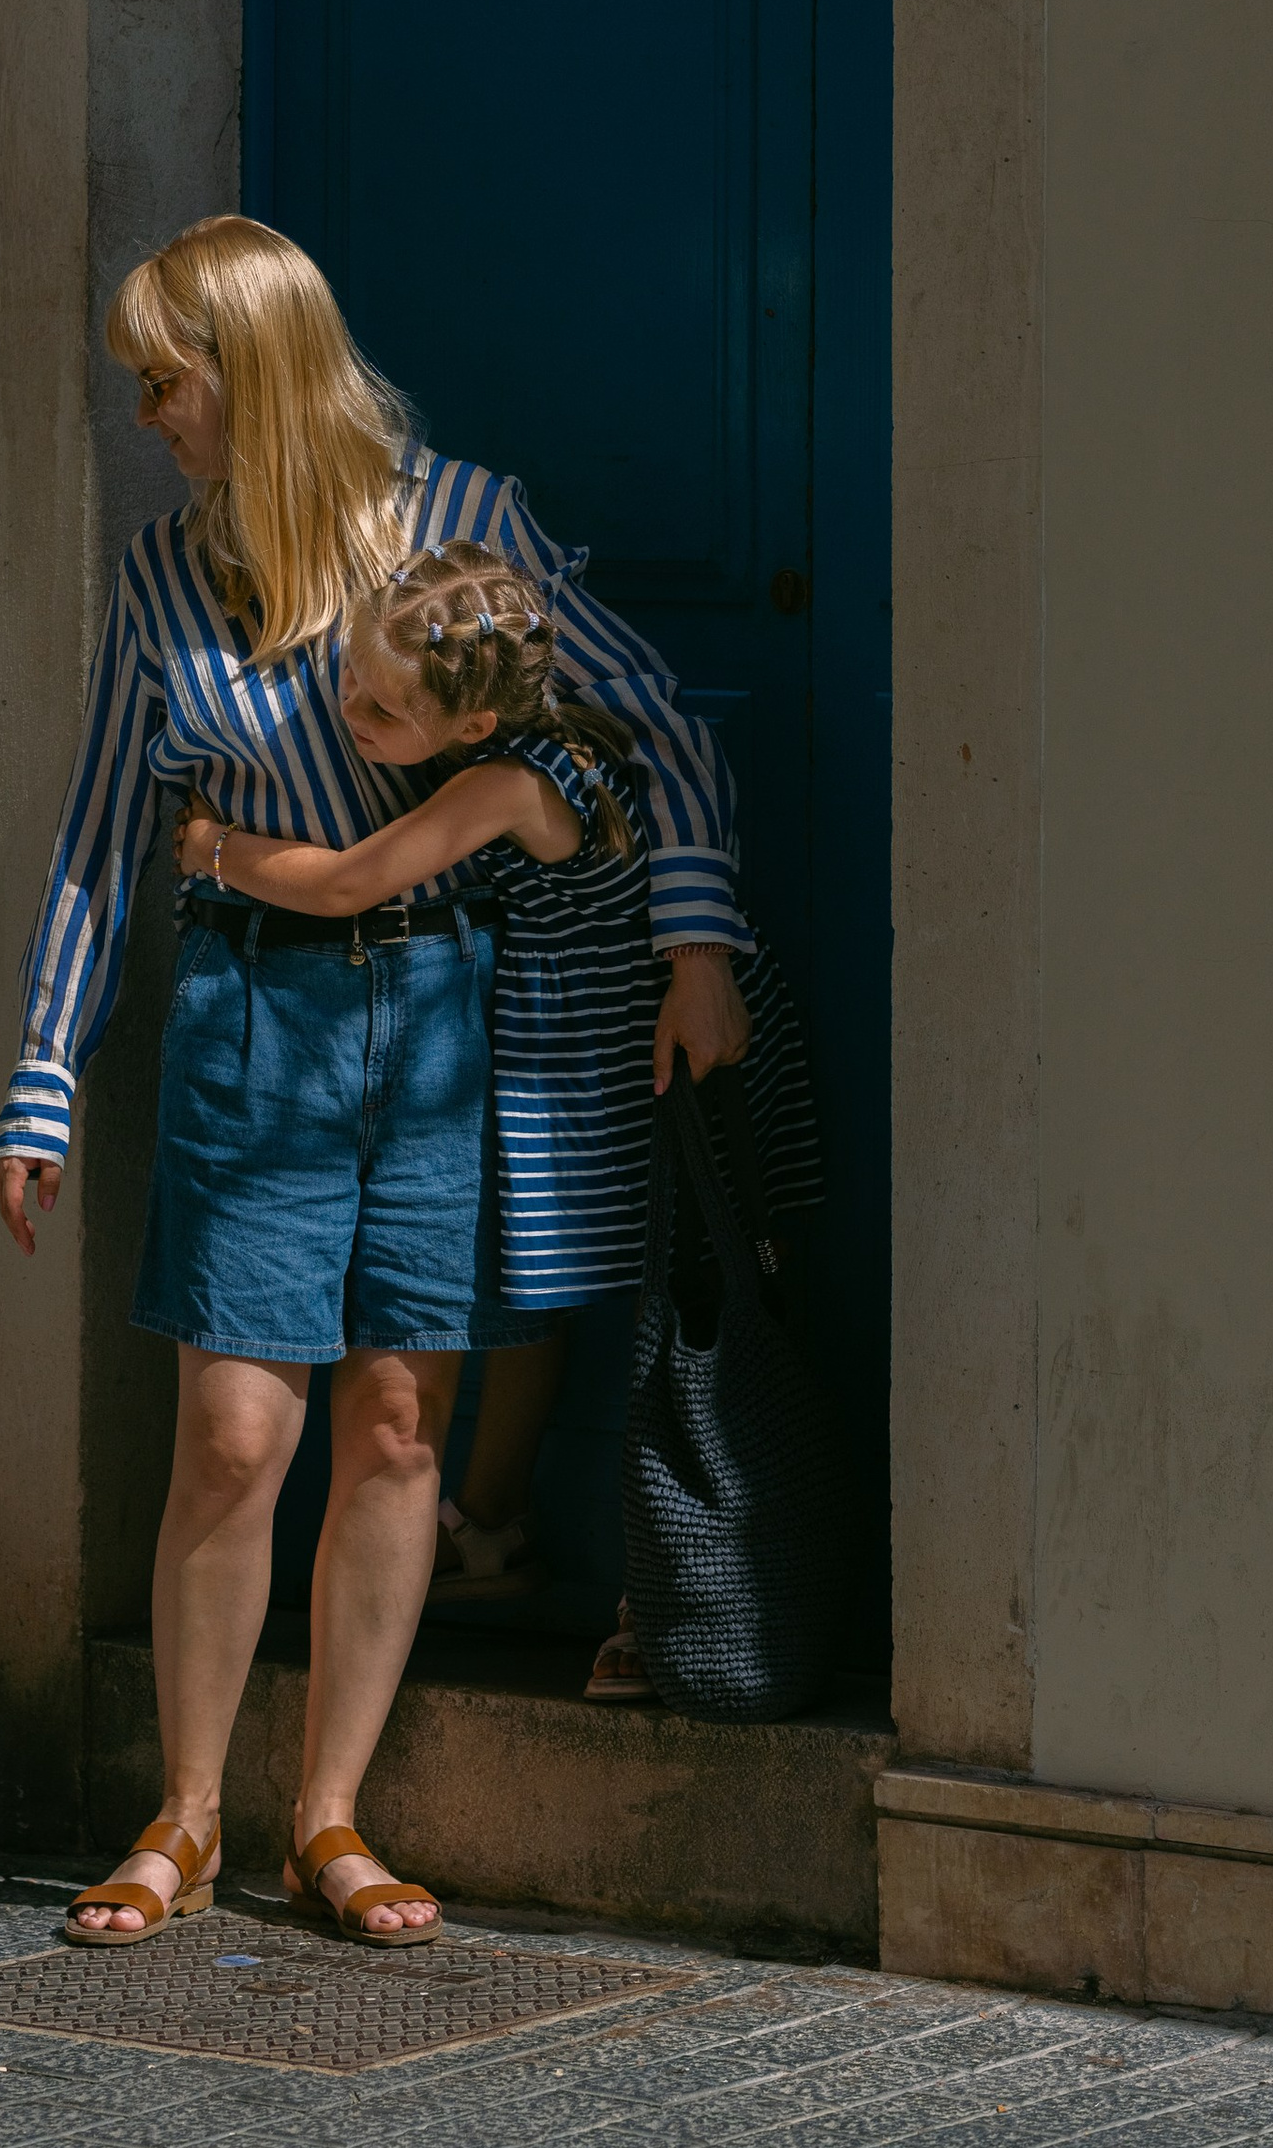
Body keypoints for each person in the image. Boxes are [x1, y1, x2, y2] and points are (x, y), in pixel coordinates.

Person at [0, 215, 752, 1946]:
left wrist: (698, 950)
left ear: (248, 374)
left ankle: (329, 1819)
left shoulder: (467, 524)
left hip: (435, 1026)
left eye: (164, 381)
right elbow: (107, 840)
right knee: (235, 1430)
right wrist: (43, 1073)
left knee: (398, 1425)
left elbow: (660, 725)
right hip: (254, 1033)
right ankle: (182, 1816)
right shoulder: (161, 578)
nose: (148, 415)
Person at [174, 537, 820, 1703]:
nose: (350, 710)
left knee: (657, 1309)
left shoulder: (507, 782)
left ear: (471, 725)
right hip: (577, 1045)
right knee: (550, 1286)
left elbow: (347, 883)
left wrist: (211, 847)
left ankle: (658, 1592)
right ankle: (498, 1525)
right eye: (350, 680)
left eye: (380, 705)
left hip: (627, 1058)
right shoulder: (529, 720)